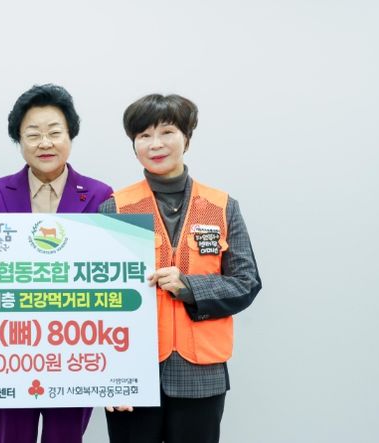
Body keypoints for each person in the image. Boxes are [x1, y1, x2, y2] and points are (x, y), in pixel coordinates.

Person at [101, 94, 261, 443]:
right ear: (134, 145)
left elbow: (247, 282)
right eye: (144, 135)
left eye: (167, 132)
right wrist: (110, 379)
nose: (155, 144)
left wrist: (189, 287)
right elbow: (100, 301)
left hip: (200, 373)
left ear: (186, 138)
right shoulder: (116, 208)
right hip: (133, 372)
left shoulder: (221, 206)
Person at [0, 84, 113, 443]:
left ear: (70, 136)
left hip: (74, 348)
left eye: (55, 133)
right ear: (19, 140)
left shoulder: (100, 195)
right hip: (8, 348)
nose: (45, 143)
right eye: (33, 134)